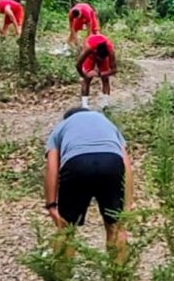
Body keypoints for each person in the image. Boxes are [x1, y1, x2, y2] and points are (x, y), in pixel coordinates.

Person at [44, 108, 133, 262]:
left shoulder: (61, 127)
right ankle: (120, 280)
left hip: (76, 164)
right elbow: (126, 165)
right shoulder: (107, 123)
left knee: (66, 228)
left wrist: (51, 205)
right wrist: (127, 203)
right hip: (111, 162)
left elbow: (52, 168)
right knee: (116, 226)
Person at [75, 33, 118, 110]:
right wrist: (84, 75)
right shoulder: (88, 49)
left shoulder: (110, 51)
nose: (99, 61)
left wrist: (99, 74)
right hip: (90, 55)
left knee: (105, 78)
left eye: (102, 59)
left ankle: (106, 103)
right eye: (99, 59)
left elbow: (114, 70)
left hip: (101, 53)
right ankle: (85, 106)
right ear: (95, 53)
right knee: (87, 80)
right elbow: (78, 65)